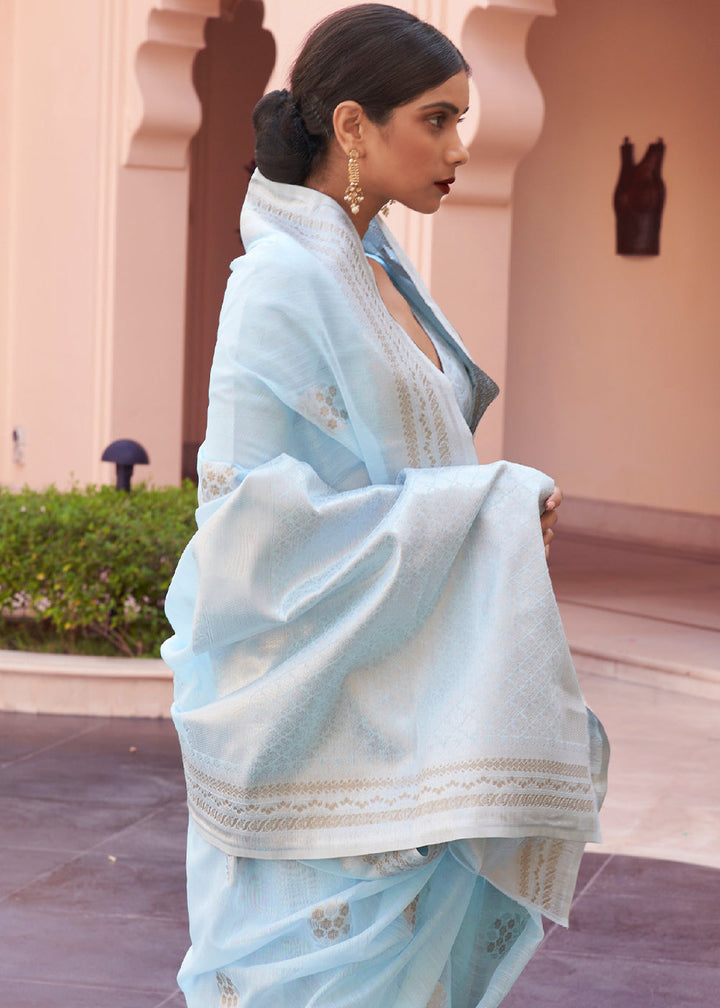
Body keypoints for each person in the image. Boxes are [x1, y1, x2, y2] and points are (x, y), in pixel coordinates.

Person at [162, 5, 608, 1006]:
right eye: (437, 120)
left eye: (462, 122)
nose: (459, 148)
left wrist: (492, 517)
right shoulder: (278, 284)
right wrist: (484, 509)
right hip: (320, 709)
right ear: (354, 126)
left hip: (409, 691)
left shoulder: (376, 269)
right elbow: (250, 527)